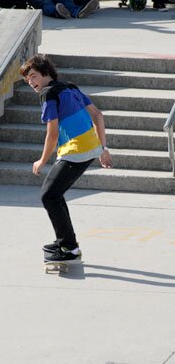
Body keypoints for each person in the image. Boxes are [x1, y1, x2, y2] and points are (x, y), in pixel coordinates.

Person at [19, 54, 112, 266]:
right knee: (55, 194)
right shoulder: (69, 86)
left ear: (46, 73)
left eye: (33, 76)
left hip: (76, 151)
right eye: (28, 80)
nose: (31, 82)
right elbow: (98, 115)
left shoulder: (48, 94)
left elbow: (51, 133)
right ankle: (66, 242)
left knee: (49, 196)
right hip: (89, 149)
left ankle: (70, 248)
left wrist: (42, 160)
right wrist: (103, 149)